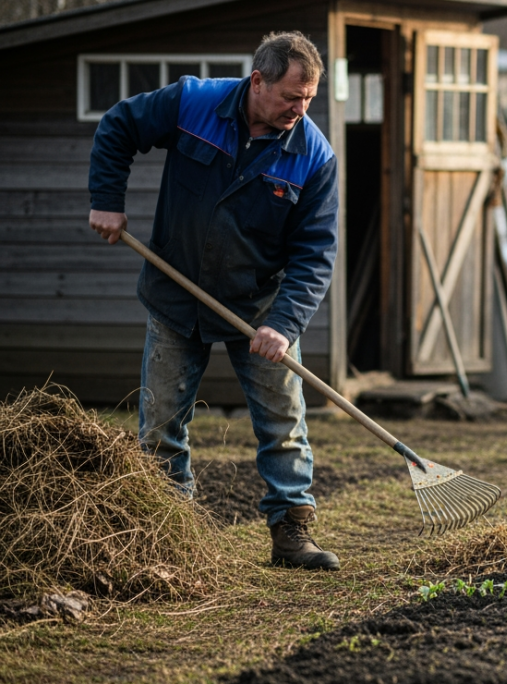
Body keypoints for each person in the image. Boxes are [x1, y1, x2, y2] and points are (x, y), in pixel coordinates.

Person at [88, 31, 341, 570]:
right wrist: (106, 201)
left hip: (260, 310)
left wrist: (284, 322)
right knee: (160, 426)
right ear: (258, 81)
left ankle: (292, 533)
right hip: (176, 294)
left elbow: (315, 253)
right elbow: (119, 126)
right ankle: (170, 537)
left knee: (282, 423)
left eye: (309, 98)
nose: (301, 109)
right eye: (292, 96)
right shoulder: (192, 102)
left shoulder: (313, 157)